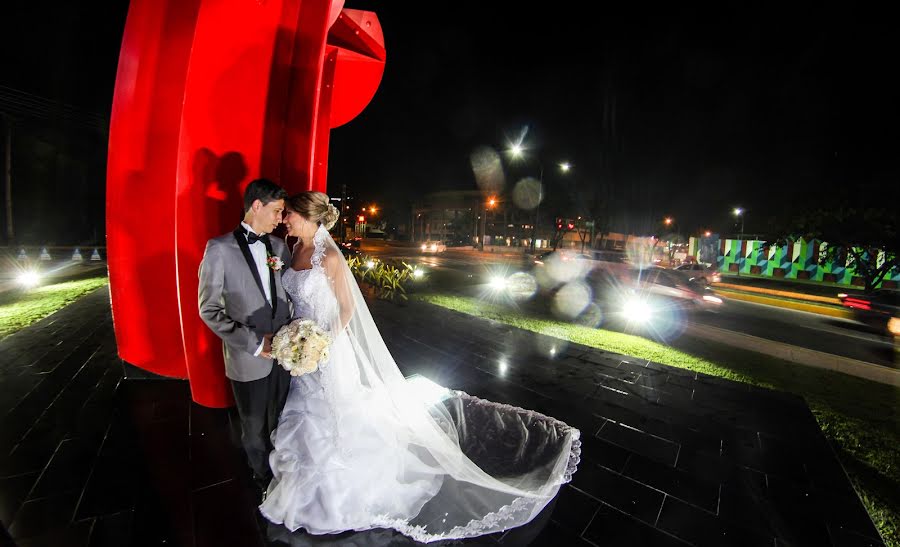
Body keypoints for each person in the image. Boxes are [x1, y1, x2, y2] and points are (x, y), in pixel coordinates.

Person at [260, 191, 581, 543]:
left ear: (308, 217)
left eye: (289, 213)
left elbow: (347, 310)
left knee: (334, 418)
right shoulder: (292, 249)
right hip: (303, 349)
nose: (284, 219)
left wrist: (321, 347)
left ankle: (336, 495)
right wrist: (295, 340)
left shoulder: (331, 256)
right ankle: (303, 487)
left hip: (328, 352)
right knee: (306, 418)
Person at [198, 178, 293, 496]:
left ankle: (282, 470)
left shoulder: (279, 248)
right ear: (256, 206)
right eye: (277, 211)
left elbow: (288, 296)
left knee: (282, 416)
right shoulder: (219, 248)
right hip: (246, 358)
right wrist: (254, 343)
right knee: (253, 428)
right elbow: (208, 310)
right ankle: (261, 478)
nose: (281, 219)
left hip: (285, 353)